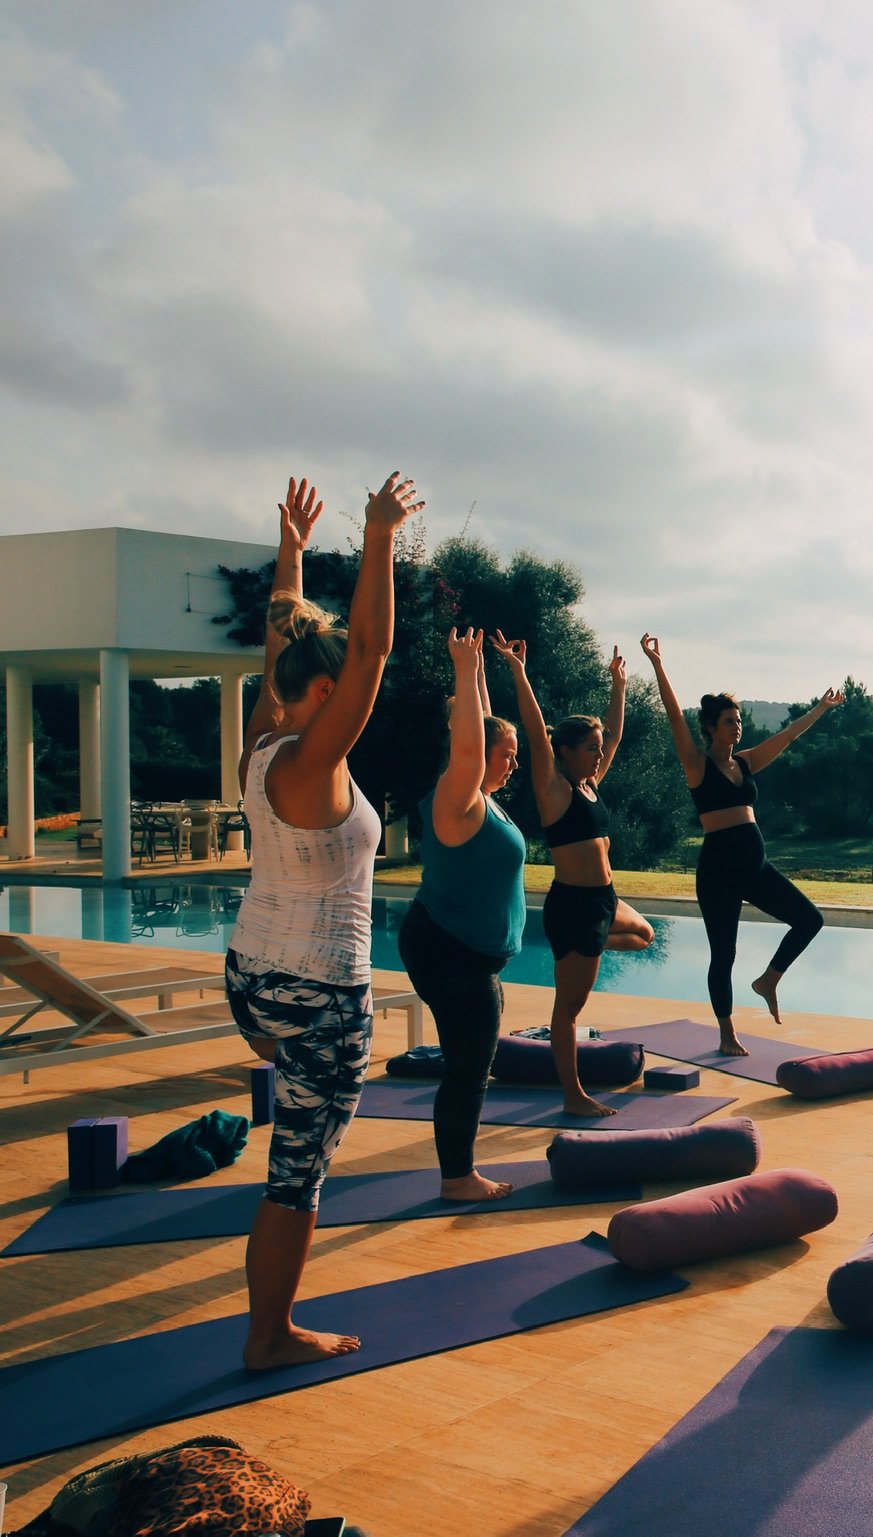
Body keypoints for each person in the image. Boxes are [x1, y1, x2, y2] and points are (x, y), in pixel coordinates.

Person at [228, 471, 419, 1369]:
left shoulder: (262, 736)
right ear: (324, 691)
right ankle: (271, 1334)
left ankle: (272, 1322)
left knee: (295, 1132)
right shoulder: (310, 759)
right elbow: (373, 651)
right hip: (316, 995)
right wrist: (377, 535)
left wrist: (296, 555)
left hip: (250, 980)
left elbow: (284, 634)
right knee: (296, 1176)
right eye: (340, 688)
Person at [640, 634, 842, 1050]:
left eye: (739, 720)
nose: (738, 726)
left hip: (755, 868)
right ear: (711, 727)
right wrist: (658, 666)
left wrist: (821, 708)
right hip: (719, 872)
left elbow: (786, 737)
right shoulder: (697, 765)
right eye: (730, 721)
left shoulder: (746, 761)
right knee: (723, 955)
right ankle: (727, 1033)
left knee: (810, 920)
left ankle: (768, 980)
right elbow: (675, 717)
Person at [494, 631, 654, 1117]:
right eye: (590, 748)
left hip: (605, 900)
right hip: (576, 906)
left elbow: (618, 735)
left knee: (645, 934)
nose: (599, 755)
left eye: (599, 748)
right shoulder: (554, 789)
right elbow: (534, 723)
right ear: (565, 752)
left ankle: (592, 944)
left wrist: (619, 686)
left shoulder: (589, 785)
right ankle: (573, 1095)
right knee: (568, 1010)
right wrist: (519, 670)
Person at [397, 627, 527, 1200]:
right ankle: (457, 1179)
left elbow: (484, 733)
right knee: (469, 1069)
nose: (513, 765)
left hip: (468, 954)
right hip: (448, 948)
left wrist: (479, 673)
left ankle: (458, 1172)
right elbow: (473, 744)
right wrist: (462, 670)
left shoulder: (485, 802)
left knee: (475, 1059)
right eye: (509, 755)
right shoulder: (459, 797)